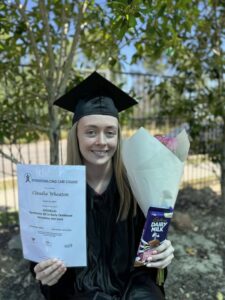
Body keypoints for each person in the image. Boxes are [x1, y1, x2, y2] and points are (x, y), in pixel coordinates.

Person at [30, 71, 174, 300]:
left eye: (110, 132)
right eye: (90, 132)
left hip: (134, 289)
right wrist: (44, 272)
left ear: (118, 137)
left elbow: (147, 264)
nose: (101, 141)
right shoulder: (53, 192)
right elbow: (49, 267)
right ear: (75, 136)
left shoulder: (137, 188)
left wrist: (161, 254)